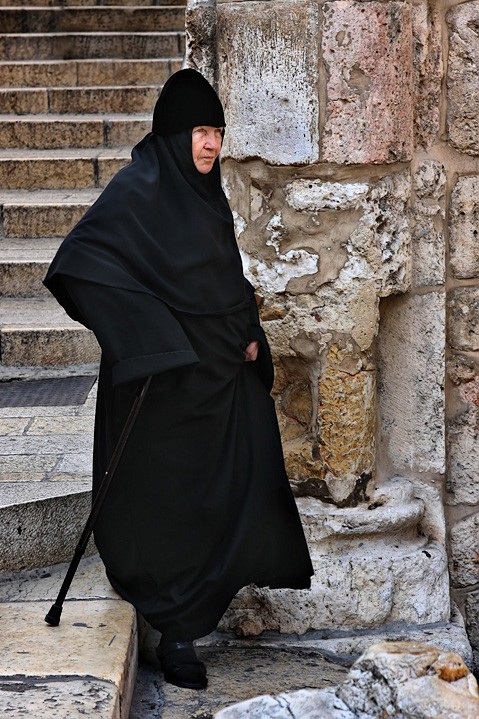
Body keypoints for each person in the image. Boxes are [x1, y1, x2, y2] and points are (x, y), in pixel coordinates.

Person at [44, 69, 313, 691]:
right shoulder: (138, 188)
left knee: (242, 479)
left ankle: (205, 601)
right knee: (169, 503)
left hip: (218, 375)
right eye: (199, 131)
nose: (211, 143)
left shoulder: (206, 196)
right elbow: (79, 265)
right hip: (162, 388)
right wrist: (149, 337)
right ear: (172, 135)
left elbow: (220, 276)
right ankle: (177, 632)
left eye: (217, 131)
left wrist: (248, 329)